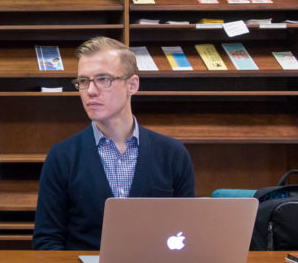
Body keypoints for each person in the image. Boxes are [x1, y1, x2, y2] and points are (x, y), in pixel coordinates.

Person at [33, 36, 194, 250]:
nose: (90, 91)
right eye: (83, 81)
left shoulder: (173, 154)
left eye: (103, 79)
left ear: (132, 84)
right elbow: (46, 240)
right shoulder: (62, 156)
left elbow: (188, 233)